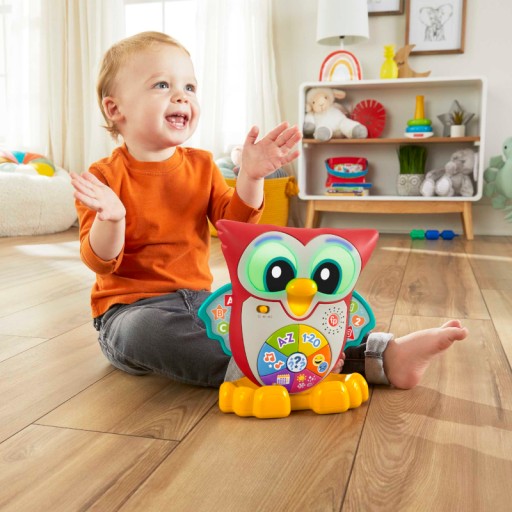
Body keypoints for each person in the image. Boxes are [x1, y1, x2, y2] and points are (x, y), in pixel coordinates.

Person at [72, 31, 468, 392]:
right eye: (162, 85)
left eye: (189, 87)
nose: (182, 97)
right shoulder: (103, 178)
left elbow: (234, 225)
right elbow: (99, 261)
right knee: (146, 332)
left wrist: (250, 176)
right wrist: (113, 219)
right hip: (131, 311)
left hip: (200, 302)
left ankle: (382, 355)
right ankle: (258, 371)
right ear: (115, 109)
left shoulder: (202, 164)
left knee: (272, 313)